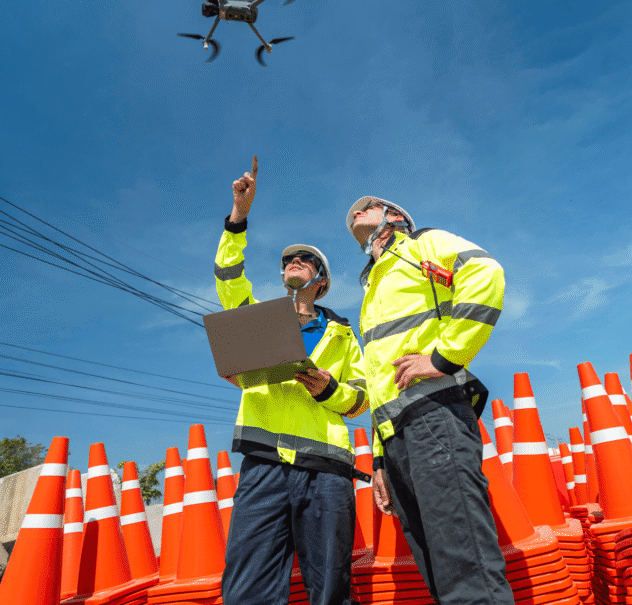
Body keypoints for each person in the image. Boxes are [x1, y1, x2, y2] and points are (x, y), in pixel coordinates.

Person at [345, 196, 511, 605]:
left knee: (464, 564)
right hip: (398, 438)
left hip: (434, 417)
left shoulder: (420, 244)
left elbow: (485, 273)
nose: (355, 210)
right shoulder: (375, 287)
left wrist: (444, 357)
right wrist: (381, 462)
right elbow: (380, 382)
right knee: (437, 568)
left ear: (395, 217)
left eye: (368, 204)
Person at [217, 157, 368, 605]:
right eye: (288, 260)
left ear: (320, 282)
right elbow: (227, 277)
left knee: (329, 586)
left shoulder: (343, 335)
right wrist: (239, 217)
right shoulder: (257, 320)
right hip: (263, 466)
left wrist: (328, 389)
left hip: (326, 470)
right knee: (247, 587)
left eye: (305, 260)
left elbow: (359, 400)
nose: (294, 262)